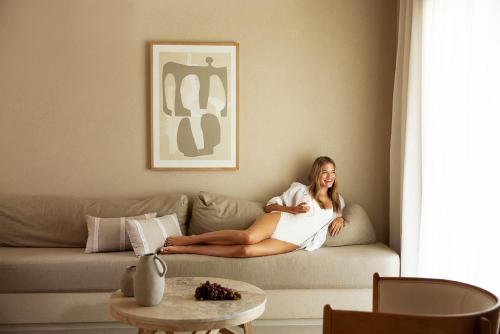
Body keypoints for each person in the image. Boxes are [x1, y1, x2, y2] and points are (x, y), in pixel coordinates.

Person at [160, 156, 346, 257]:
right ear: (316, 174)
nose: (329, 176)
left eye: (333, 172)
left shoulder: (338, 202)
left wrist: (340, 218)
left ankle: (188, 250)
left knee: (246, 251)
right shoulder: (299, 189)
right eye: (325, 172)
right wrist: (293, 210)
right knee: (247, 238)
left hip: (292, 241)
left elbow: (340, 216)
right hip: (280, 221)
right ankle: (190, 240)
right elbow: (269, 207)